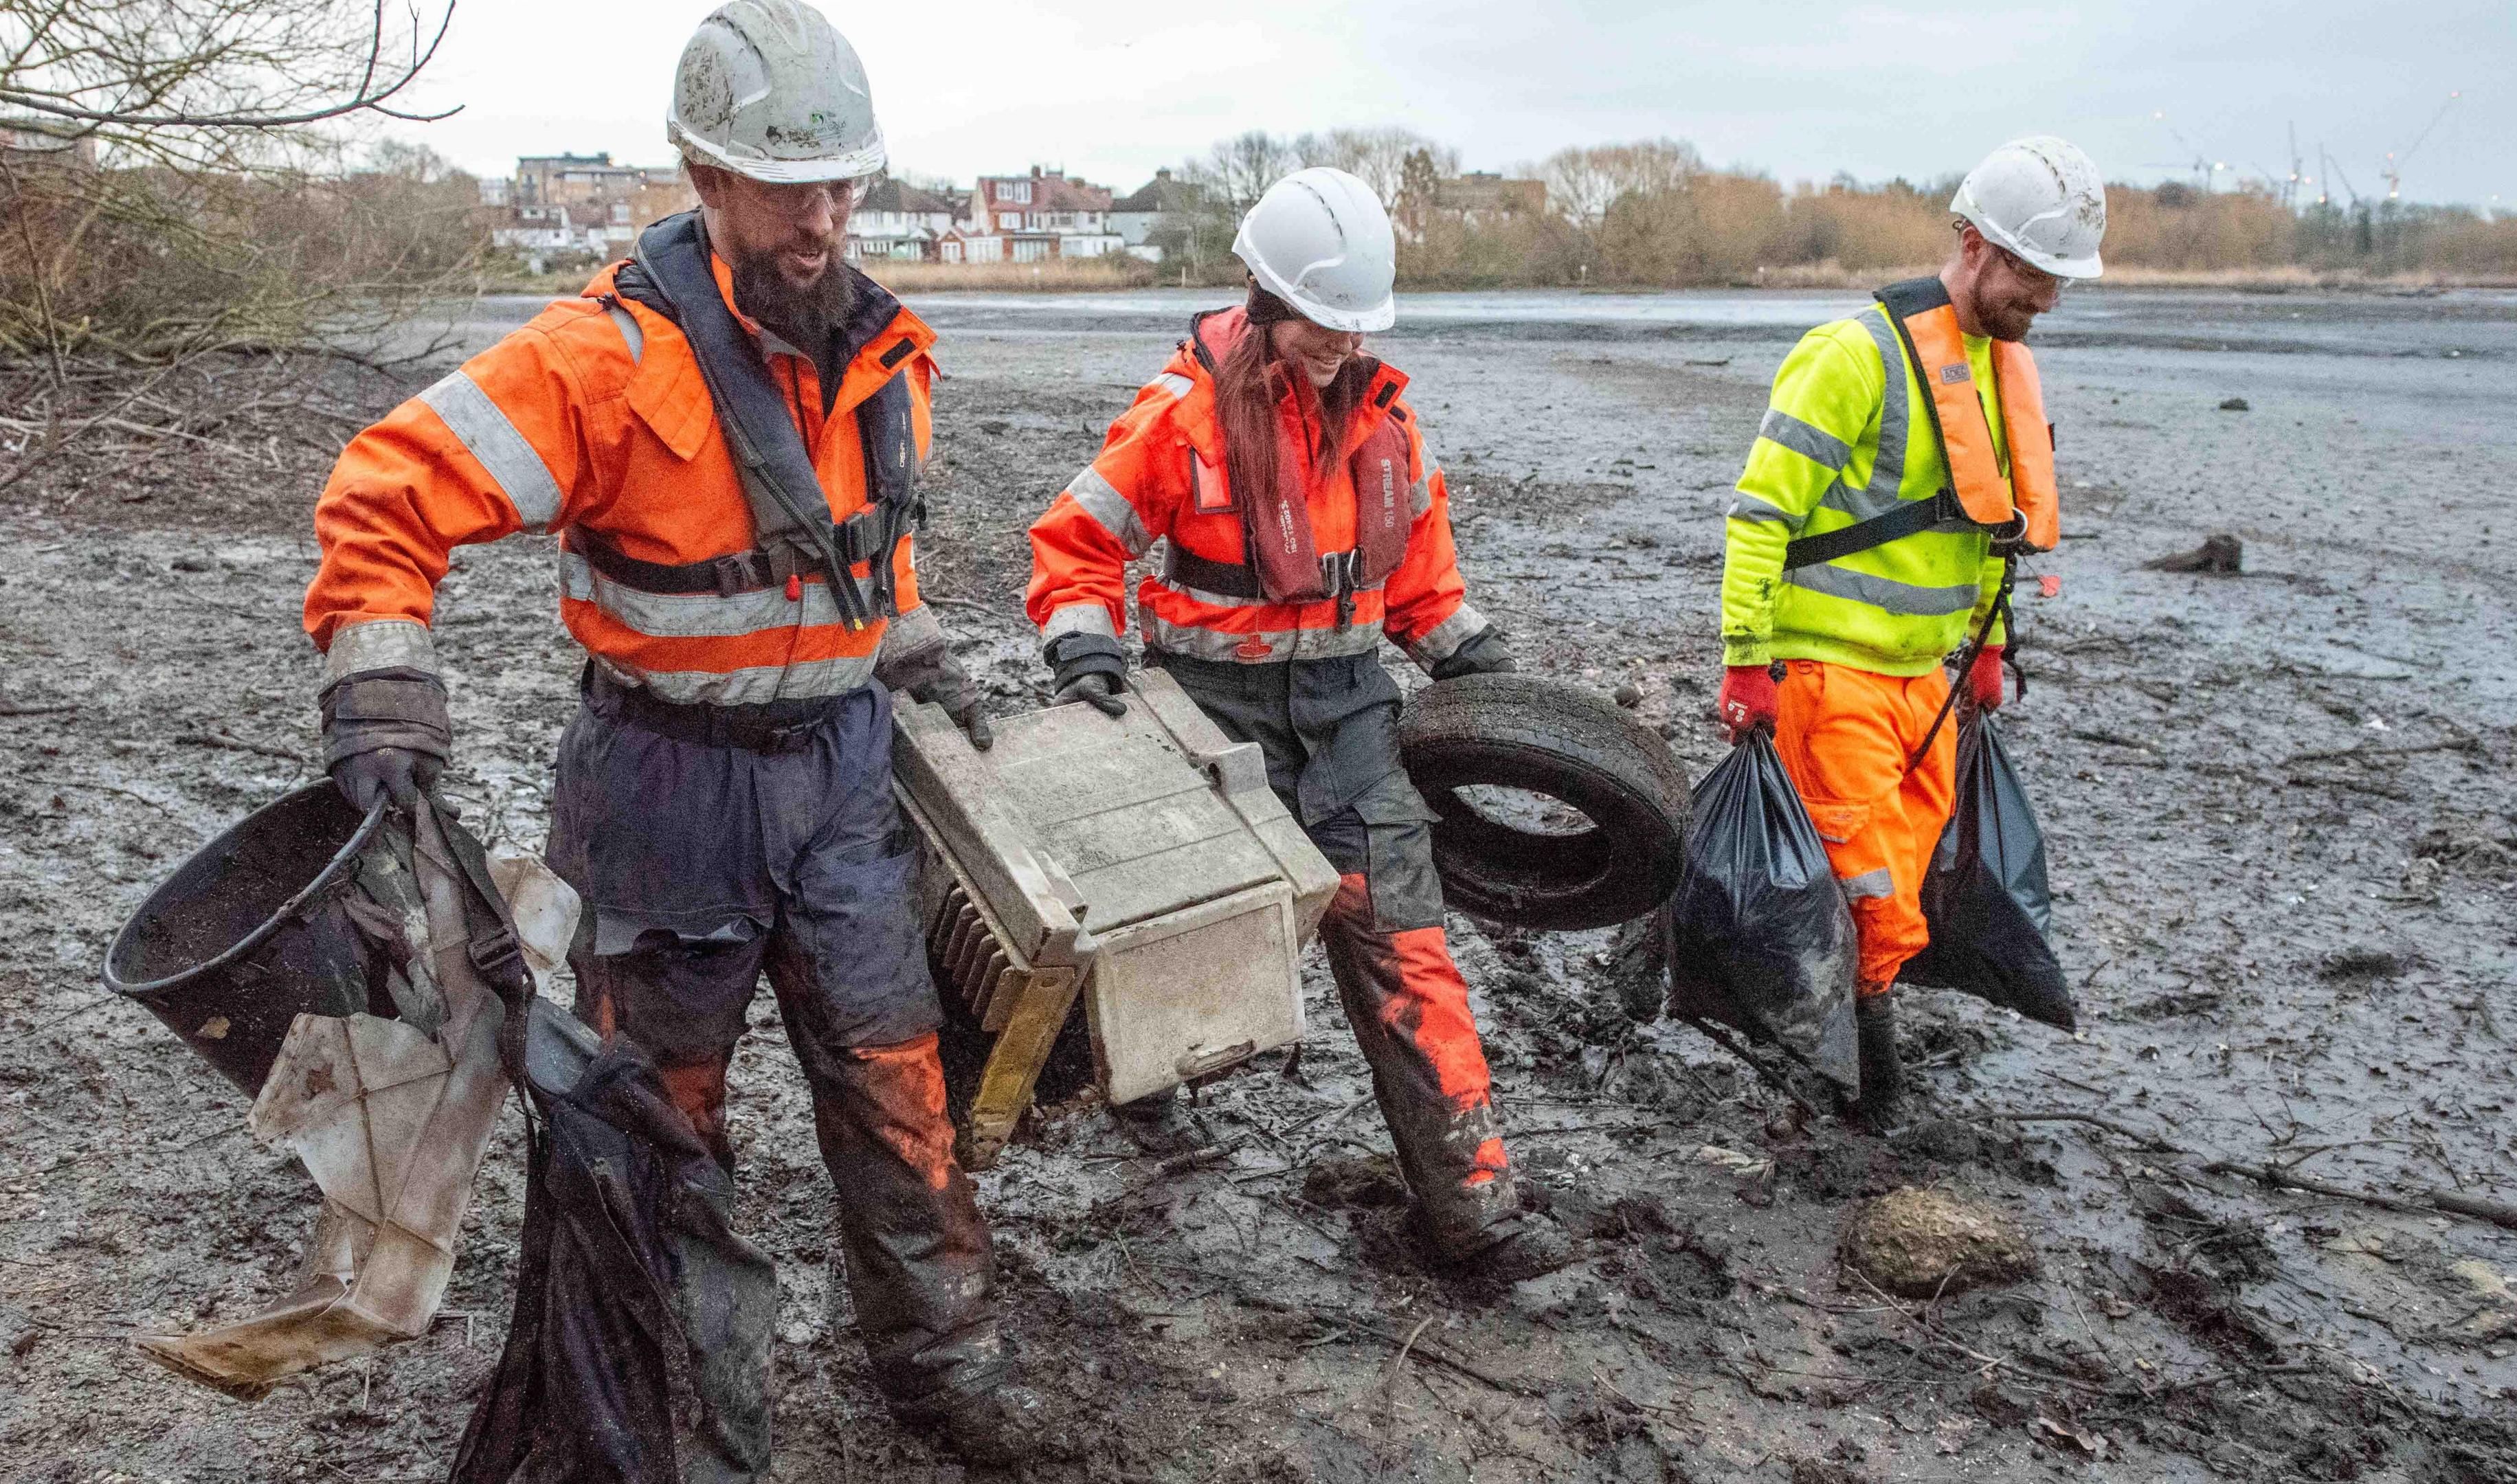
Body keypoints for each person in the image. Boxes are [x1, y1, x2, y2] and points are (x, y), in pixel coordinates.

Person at [301, 0, 1040, 1465]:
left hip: (840, 779)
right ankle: (680, 1418)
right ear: (703, 179)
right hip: (661, 789)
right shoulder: (596, 362)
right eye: (788, 189)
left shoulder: (889, 356)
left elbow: (863, 552)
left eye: (843, 186)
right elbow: (388, 491)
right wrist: (379, 683)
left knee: (902, 1088)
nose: (823, 221)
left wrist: (916, 646)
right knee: (658, 1127)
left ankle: (944, 1367)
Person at [1023, 168, 1575, 1282]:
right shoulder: (1178, 419)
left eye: (1356, 326)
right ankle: (1142, 1086)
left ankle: (1475, 1210)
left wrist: (1481, 666)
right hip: (1207, 721)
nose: (1339, 345)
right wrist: (1083, 647)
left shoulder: (1389, 424)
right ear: (1266, 299)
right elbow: (1076, 542)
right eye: (1322, 323)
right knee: (1185, 932)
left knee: (1408, 951)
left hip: (1351, 725)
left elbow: (1424, 587)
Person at [1714, 136, 2098, 1128]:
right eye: (2032, 273)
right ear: (1972, 246)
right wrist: (1748, 661)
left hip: (1924, 679)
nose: (2046, 300)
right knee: (1876, 894)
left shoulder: (1998, 372)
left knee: (1907, 879)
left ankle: (1775, 999)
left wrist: (1988, 648)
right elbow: (1761, 517)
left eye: (2058, 280)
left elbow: (1985, 534)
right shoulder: (1854, 357)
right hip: (1828, 675)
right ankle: (1868, 1096)